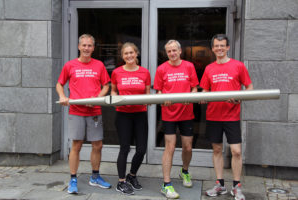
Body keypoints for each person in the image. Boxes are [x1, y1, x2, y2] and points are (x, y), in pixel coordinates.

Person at [56, 34, 111, 194]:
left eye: (89, 45)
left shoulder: (99, 65)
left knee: (97, 145)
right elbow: (59, 84)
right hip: (76, 111)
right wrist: (62, 96)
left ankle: (95, 177)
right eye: (84, 45)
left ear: (93, 48)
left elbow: (106, 85)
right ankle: (73, 178)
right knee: (77, 145)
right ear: (79, 47)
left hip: (94, 111)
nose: (86, 48)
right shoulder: (70, 65)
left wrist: (97, 99)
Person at [200, 34, 253, 200]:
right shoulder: (209, 68)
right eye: (216, 46)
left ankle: (236, 186)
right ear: (213, 48)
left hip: (232, 115)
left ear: (228, 47)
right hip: (214, 115)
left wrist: (240, 97)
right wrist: (203, 97)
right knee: (217, 149)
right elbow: (204, 91)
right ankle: (220, 185)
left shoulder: (238, 66)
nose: (219, 48)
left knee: (236, 151)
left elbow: (249, 87)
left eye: (222, 45)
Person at [153, 40, 199, 199]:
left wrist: (191, 96)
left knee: (187, 147)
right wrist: (162, 99)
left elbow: (194, 88)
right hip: (169, 114)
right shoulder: (161, 69)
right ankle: (166, 184)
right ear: (166, 53)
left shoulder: (189, 66)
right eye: (169, 51)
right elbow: (158, 91)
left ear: (180, 51)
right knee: (170, 147)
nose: (172, 53)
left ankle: (184, 171)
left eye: (174, 50)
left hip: (186, 113)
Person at [111, 42, 151, 195]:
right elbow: (114, 91)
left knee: (141, 149)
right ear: (122, 56)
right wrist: (115, 100)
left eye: (131, 53)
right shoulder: (116, 72)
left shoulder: (145, 72)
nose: (129, 56)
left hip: (140, 113)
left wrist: (148, 100)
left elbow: (147, 93)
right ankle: (121, 182)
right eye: (126, 53)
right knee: (125, 148)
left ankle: (132, 175)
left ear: (136, 54)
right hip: (123, 115)